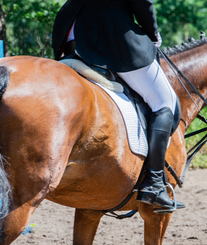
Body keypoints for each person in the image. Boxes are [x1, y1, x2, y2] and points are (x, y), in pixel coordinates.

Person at [52, 0, 184, 213]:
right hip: (111, 35)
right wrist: (153, 34)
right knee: (164, 101)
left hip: (71, 35)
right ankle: (154, 183)